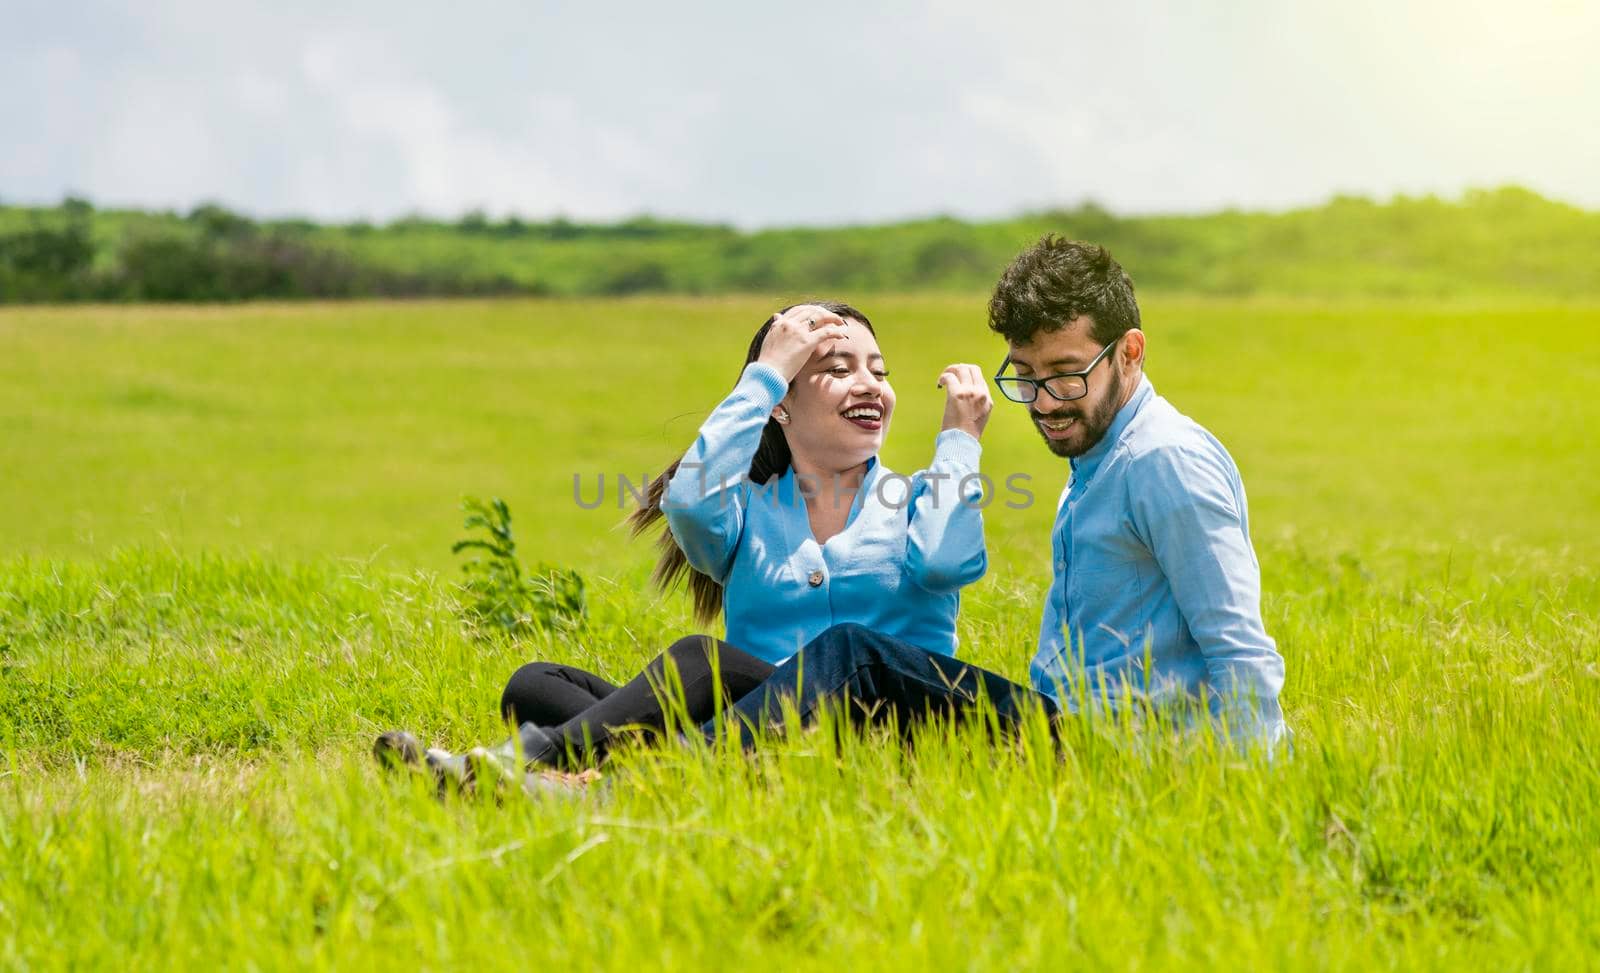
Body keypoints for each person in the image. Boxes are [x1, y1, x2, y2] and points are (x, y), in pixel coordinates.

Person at [701, 238, 1288, 750]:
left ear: (1129, 353)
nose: (1044, 402)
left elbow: (1237, 643)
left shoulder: (1162, 460)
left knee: (857, 652)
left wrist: (1241, 782)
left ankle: (682, 769)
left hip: (1119, 750)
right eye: (1026, 376)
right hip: (1067, 732)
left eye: (1066, 372)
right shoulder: (1099, 460)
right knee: (694, 663)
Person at [375, 301, 995, 780]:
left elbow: (945, 562)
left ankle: (532, 762)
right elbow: (691, 503)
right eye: (839, 369)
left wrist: (961, 441)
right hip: (755, 723)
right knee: (535, 685)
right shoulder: (747, 510)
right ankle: (634, 773)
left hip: (883, 724)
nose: (870, 385)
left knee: (699, 661)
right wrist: (765, 376)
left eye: (878, 371)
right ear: (780, 405)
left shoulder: (917, 497)